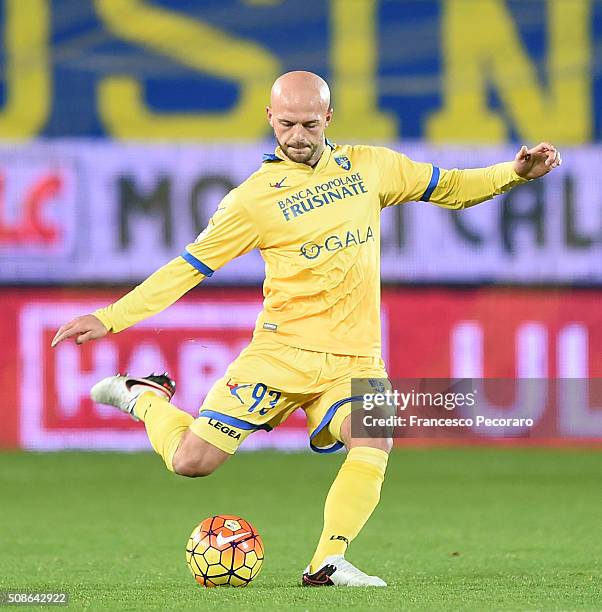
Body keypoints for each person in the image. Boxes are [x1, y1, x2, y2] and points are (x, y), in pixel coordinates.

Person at [51, 71, 562, 587]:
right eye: (287, 124)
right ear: (270, 119)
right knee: (191, 462)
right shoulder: (251, 201)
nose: (297, 136)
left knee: (374, 436)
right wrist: (110, 317)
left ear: (329, 119)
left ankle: (326, 563)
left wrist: (514, 172)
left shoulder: (371, 167)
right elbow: (187, 268)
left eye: (309, 124)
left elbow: (451, 187)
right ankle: (145, 396)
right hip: (280, 355)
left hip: (354, 358)